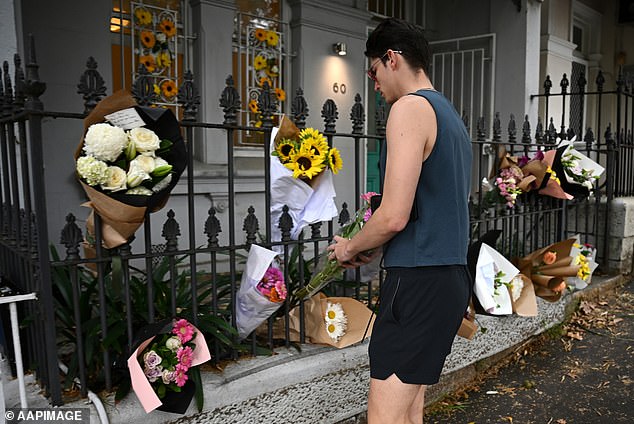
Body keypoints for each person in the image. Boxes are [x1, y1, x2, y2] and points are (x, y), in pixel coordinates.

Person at [327, 17, 473, 424]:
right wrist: (370, 245)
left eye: (373, 72)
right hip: (446, 278)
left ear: (391, 59)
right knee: (410, 411)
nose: (374, 85)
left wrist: (350, 247)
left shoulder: (409, 108)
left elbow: (393, 215)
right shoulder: (449, 116)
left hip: (417, 281)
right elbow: (433, 206)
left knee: (386, 417)